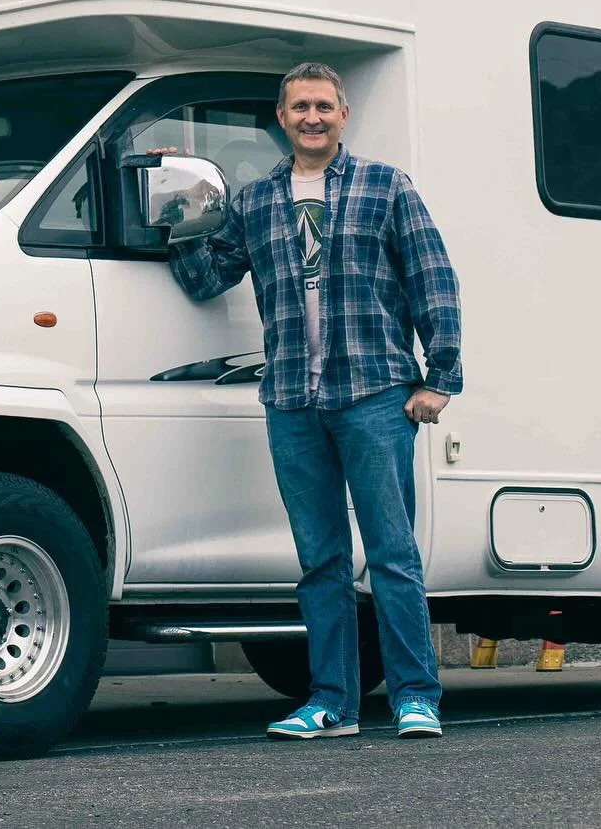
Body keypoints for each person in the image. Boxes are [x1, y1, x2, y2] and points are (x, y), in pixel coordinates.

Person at [170, 62, 462, 741]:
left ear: (343, 113)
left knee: (391, 553)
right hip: (293, 399)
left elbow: (434, 280)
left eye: (323, 105)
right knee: (320, 559)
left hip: (374, 393)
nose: (312, 116)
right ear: (281, 116)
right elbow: (210, 275)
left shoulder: (386, 187)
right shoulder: (256, 199)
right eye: (300, 105)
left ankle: (417, 695)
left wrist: (439, 377)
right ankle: (332, 701)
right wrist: (175, 219)